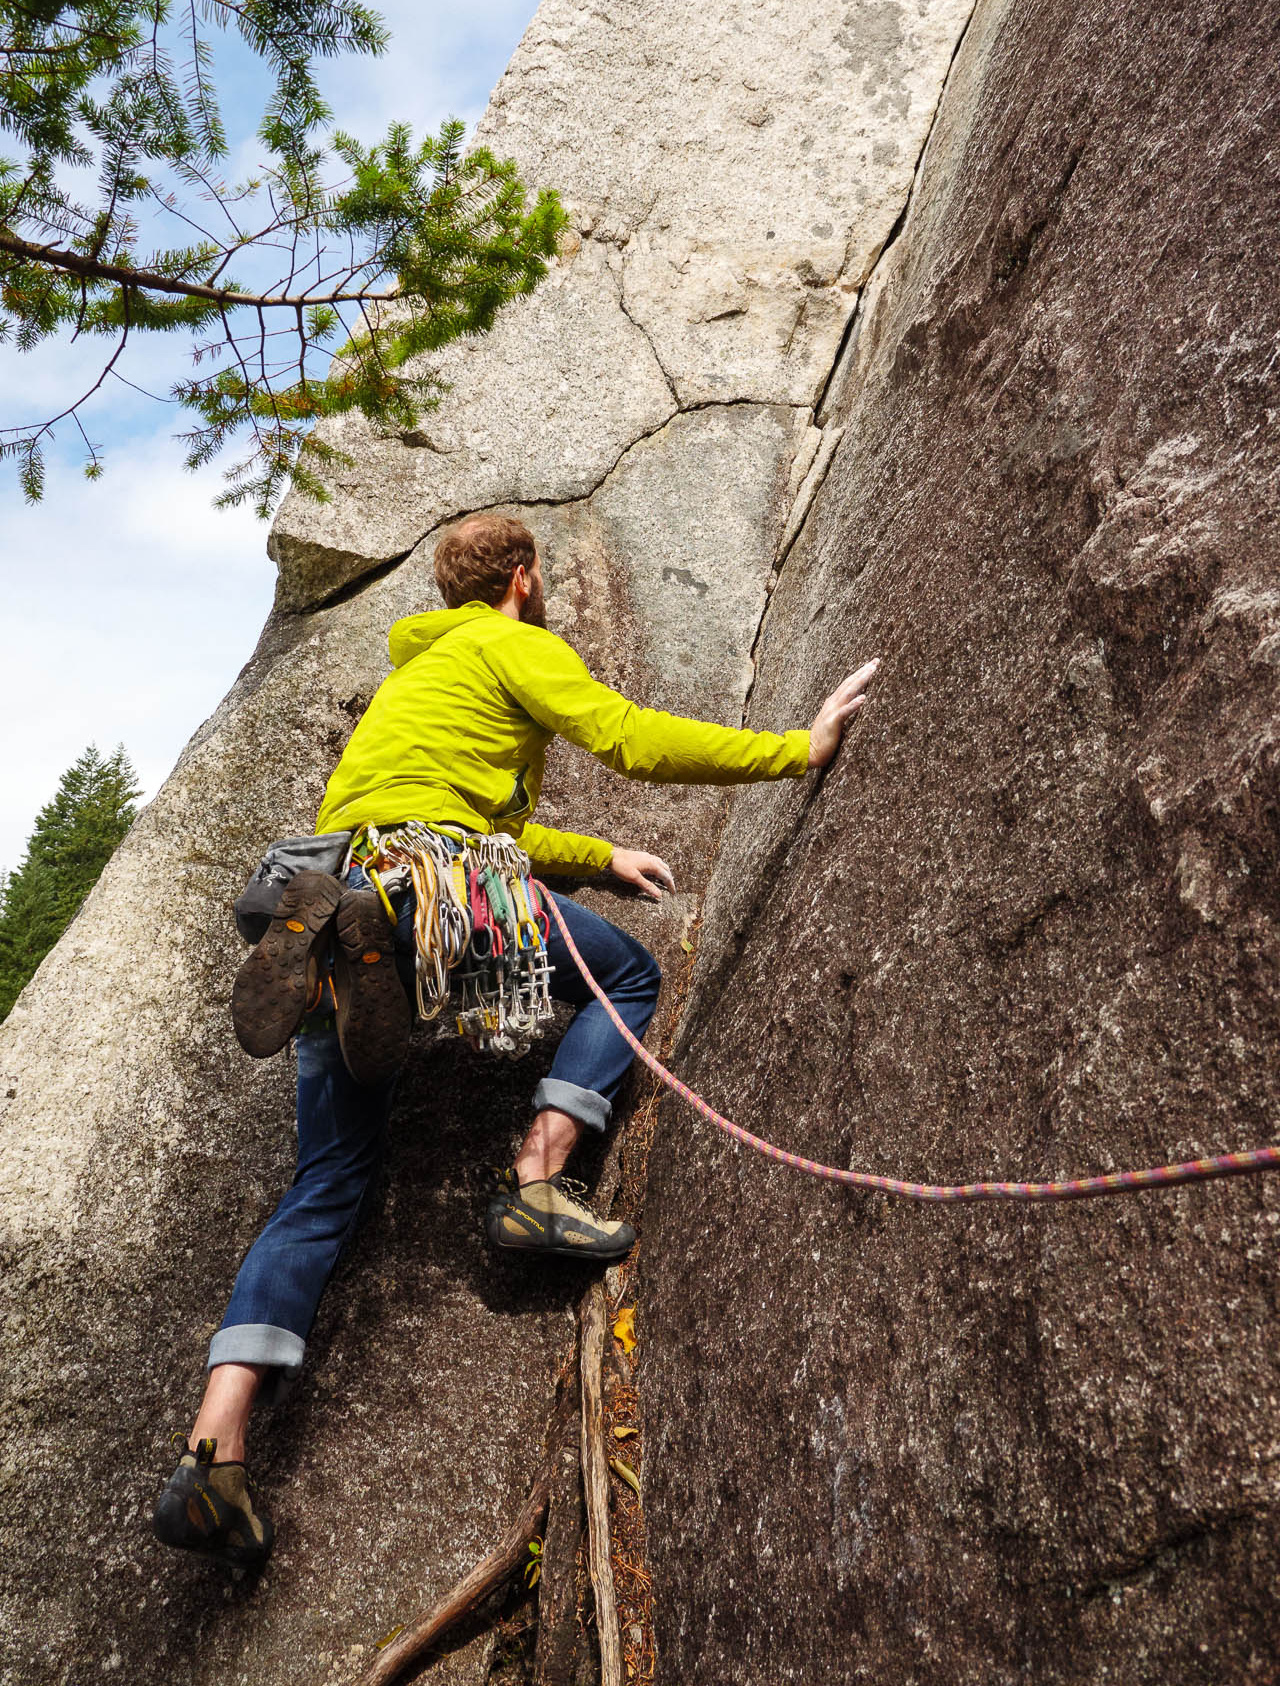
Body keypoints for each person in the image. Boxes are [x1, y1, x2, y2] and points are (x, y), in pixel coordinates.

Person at [152, 513, 877, 1566]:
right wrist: (792, 751)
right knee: (625, 975)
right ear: (524, 579)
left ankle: (213, 1452)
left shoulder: (417, 678)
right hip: (441, 874)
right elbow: (627, 735)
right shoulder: (514, 640)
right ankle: (538, 1181)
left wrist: (597, 854)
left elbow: (497, 824)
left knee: (322, 1188)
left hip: (338, 865)